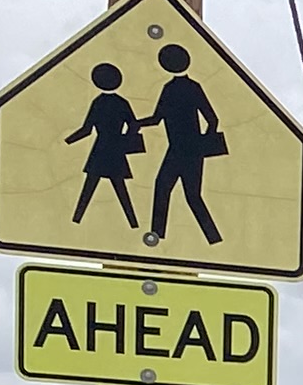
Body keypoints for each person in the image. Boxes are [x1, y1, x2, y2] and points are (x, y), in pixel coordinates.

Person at [143, 42, 225, 249]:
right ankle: (210, 238)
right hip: (187, 150)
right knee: (182, 193)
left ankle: (160, 236)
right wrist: (203, 144)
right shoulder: (189, 87)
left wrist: (136, 124)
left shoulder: (171, 89)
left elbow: (156, 119)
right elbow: (212, 120)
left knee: (171, 190)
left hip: (181, 150)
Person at [67, 60, 143, 227]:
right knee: (120, 188)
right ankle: (133, 223)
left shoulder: (98, 102)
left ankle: (77, 219)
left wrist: (68, 141)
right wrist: (126, 139)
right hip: (116, 149)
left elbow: (86, 129)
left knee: (90, 187)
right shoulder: (122, 102)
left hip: (101, 149)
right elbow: (134, 124)